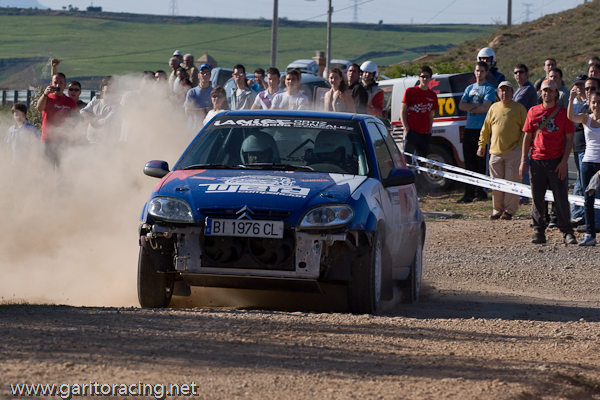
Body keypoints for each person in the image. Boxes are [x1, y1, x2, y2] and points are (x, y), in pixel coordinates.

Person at [520, 79, 576, 244]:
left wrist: (564, 162)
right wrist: (523, 161)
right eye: (545, 90)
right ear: (541, 92)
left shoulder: (563, 113)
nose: (547, 93)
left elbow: (569, 139)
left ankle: (567, 231)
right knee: (537, 198)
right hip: (537, 160)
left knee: (561, 198)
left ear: (555, 93)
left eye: (551, 90)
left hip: (556, 161)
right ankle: (539, 231)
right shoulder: (533, 111)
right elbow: (527, 137)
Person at [477, 81, 527, 220]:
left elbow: (526, 129)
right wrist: (482, 145)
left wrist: (519, 147)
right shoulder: (493, 108)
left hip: (513, 152)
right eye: (501, 91)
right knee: (496, 183)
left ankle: (509, 211)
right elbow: (486, 128)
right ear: (498, 93)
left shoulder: (519, 108)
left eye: (507, 90)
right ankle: (497, 210)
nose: (504, 93)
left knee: (512, 181)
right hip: (495, 152)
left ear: (512, 92)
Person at [457, 61, 496, 203]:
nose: (479, 73)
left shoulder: (489, 89)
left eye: (482, 71)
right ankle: (469, 192)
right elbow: (461, 105)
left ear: (486, 73)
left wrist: (470, 106)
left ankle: (481, 191)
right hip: (469, 128)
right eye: (477, 71)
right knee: (469, 162)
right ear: (474, 72)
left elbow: (485, 108)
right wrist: (476, 106)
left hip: (482, 129)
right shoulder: (469, 88)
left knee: (481, 162)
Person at [568, 87, 600, 246]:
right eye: (594, 102)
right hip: (587, 163)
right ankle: (590, 235)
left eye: (599, 103)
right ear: (589, 103)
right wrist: (571, 98)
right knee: (588, 200)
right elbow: (570, 116)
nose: (596, 105)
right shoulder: (585, 118)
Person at [36, 72, 78, 166]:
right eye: (55, 83)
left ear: (65, 85)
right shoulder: (47, 98)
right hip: (47, 141)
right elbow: (39, 108)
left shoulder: (70, 101)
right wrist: (45, 94)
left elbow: (77, 119)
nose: (58, 85)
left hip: (63, 142)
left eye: (61, 83)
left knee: (62, 169)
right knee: (46, 169)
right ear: (51, 84)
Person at [400, 65, 438, 163]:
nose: (425, 79)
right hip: (412, 131)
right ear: (419, 77)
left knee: (422, 160)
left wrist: (430, 130)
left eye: (427, 77)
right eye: (422, 76)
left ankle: (420, 173)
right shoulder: (410, 91)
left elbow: (431, 115)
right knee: (408, 159)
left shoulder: (432, 95)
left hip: (425, 133)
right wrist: (406, 128)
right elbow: (403, 110)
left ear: (430, 78)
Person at [570, 74, 592, 226]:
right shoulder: (575, 102)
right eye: (576, 84)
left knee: (582, 181)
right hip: (577, 145)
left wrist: (578, 124)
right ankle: (578, 213)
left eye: (581, 84)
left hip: (587, 146)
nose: (579, 87)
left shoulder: (590, 103)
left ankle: (579, 213)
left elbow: (579, 123)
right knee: (580, 180)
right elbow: (571, 121)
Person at [80, 76, 120, 143]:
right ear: (103, 88)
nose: (111, 89)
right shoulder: (94, 102)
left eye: (114, 86)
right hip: (90, 140)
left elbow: (106, 121)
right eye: (109, 85)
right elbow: (82, 112)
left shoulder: (117, 106)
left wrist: (90, 118)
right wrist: (97, 116)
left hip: (106, 143)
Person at [184, 63, 213, 133]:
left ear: (210, 75)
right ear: (198, 75)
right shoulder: (192, 92)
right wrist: (205, 110)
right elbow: (187, 111)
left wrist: (196, 111)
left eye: (207, 73)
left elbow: (217, 111)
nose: (205, 75)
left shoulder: (214, 92)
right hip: (192, 129)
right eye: (202, 72)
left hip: (208, 130)